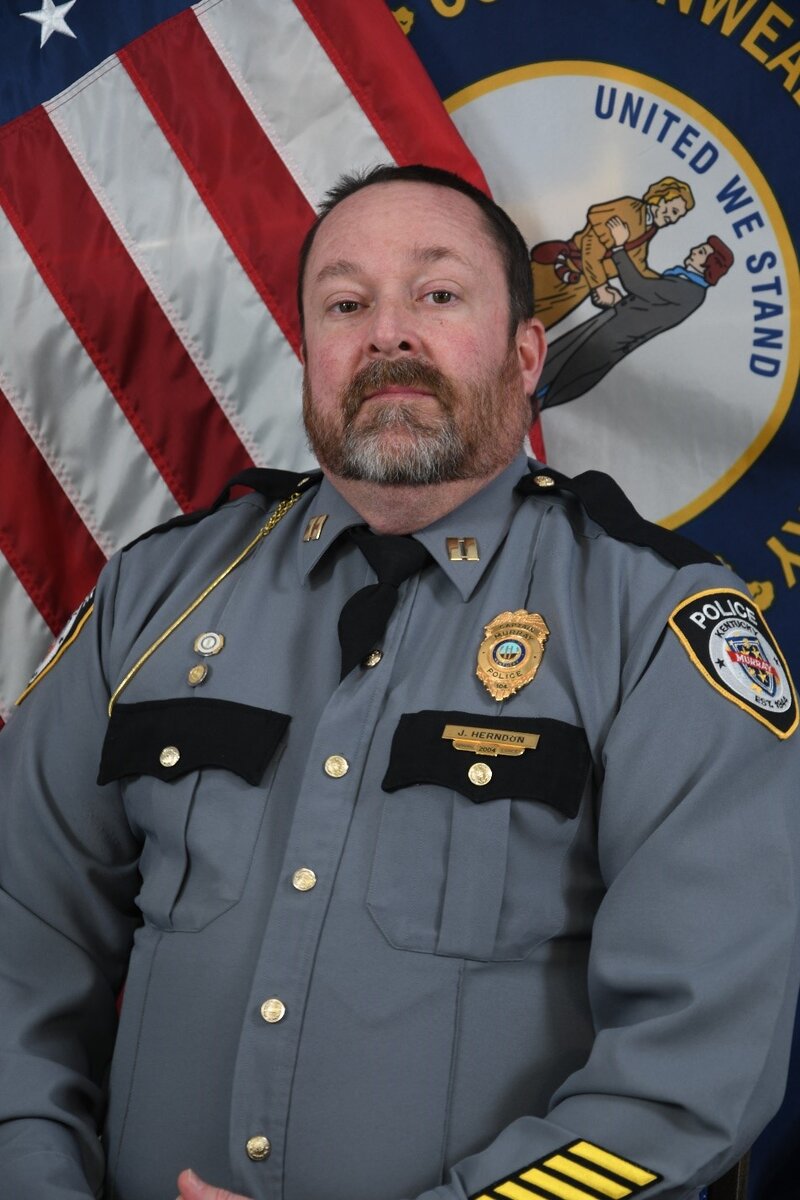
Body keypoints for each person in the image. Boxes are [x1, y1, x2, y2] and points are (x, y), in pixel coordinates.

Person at [0, 164, 798, 1200]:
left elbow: (695, 1066)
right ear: (308, 357)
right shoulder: (156, 594)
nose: (387, 334)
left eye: (436, 294)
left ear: (523, 354)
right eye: (345, 303)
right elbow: (21, 947)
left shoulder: (652, 621)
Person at [537, 216, 734, 409]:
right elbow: (649, 306)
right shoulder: (685, 282)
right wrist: (617, 301)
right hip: (608, 326)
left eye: (701, 252)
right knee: (553, 362)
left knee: (559, 376)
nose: (694, 250)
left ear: (708, 265)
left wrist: (619, 247)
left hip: (608, 341)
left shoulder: (689, 290)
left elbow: (639, 286)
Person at [530, 177, 695, 330]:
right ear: (660, 198)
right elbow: (591, 246)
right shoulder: (629, 209)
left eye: (678, 217)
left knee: (530, 329)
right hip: (561, 272)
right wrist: (601, 287)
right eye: (673, 211)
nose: (673, 219)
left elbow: (638, 267)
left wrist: (666, 286)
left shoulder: (648, 228)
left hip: (579, 287)